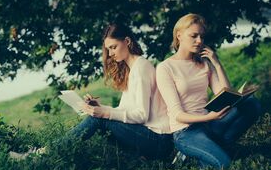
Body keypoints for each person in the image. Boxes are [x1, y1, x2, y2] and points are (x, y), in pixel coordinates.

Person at [10, 23, 172, 160]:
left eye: (113, 47)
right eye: (108, 49)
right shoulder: (133, 69)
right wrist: (101, 107)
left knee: (99, 119)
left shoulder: (141, 67)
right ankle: (47, 152)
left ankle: (42, 155)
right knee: (98, 117)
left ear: (127, 41)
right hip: (148, 135)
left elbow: (141, 115)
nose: (110, 53)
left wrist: (104, 114)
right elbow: (127, 112)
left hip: (158, 140)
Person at [156, 13, 262, 170]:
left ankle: (220, 146)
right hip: (186, 132)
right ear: (179, 35)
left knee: (252, 104)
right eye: (194, 36)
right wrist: (208, 116)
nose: (199, 41)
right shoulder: (165, 68)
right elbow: (177, 115)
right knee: (224, 165)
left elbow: (226, 95)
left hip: (210, 124)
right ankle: (195, 155)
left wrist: (217, 63)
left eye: (201, 36)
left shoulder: (204, 64)